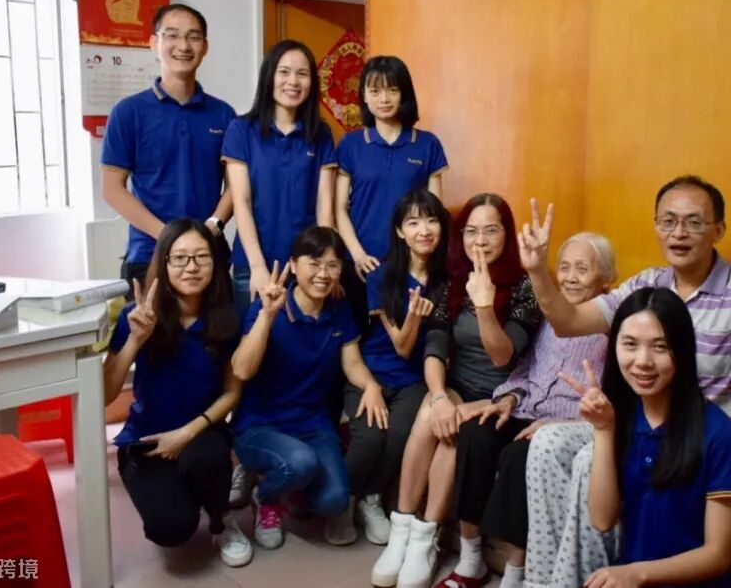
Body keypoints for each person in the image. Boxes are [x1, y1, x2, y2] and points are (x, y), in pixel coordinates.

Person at [516, 175, 731, 587]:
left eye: (694, 222)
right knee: (547, 443)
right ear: (656, 225)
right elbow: (568, 321)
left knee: (590, 460)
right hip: (641, 425)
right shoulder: (647, 286)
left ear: (719, 229)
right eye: (668, 221)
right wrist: (538, 271)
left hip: (699, 439)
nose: (678, 232)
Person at [371, 193, 542, 588]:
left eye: (491, 231)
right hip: (459, 384)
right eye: (471, 231)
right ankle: (403, 532)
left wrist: (484, 306)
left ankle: (427, 537)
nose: (479, 240)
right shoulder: (451, 281)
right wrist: (438, 396)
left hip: (505, 396)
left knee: (454, 435)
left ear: (507, 234)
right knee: (431, 415)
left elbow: (503, 356)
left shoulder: (525, 286)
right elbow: (435, 346)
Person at [445, 233, 616, 588]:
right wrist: (508, 398)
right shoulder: (551, 318)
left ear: (606, 279)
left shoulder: (612, 331)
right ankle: (471, 558)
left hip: (565, 424)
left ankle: (516, 572)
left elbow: (609, 402)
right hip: (525, 406)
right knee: (476, 434)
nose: (570, 277)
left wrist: (557, 423)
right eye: (564, 268)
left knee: (520, 455)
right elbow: (525, 367)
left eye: (582, 269)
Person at [569, 287, 731, 588]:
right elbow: (602, 520)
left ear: (682, 350)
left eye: (660, 346)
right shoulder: (624, 418)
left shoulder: (720, 436)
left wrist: (635, 574)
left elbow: (717, 556)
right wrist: (603, 431)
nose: (643, 361)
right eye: (630, 344)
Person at [102, 218, 252, 567]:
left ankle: (220, 519)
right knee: (170, 529)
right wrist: (135, 340)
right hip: (147, 440)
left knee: (206, 456)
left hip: (201, 433)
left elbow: (232, 393)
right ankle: (184, 492)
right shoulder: (136, 316)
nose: (192, 267)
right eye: (180, 258)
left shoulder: (227, 319)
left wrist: (185, 434)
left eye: (202, 257)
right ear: (164, 263)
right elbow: (106, 395)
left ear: (215, 264)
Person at [230, 226, 387, 549]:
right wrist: (267, 317)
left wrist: (371, 386)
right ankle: (266, 496)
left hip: (311, 424)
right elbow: (242, 369)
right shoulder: (268, 305)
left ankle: (290, 483)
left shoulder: (338, 308)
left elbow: (352, 363)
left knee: (335, 500)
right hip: (260, 425)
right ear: (293, 264)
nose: (323, 274)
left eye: (332, 265)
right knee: (300, 463)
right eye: (313, 263)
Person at [337, 189, 451, 547]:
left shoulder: (448, 281)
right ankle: (344, 500)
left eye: (431, 221)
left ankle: (371, 499)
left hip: (416, 379)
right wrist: (415, 316)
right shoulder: (382, 276)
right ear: (400, 231)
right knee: (370, 438)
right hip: (373, 373)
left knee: (401, 436)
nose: (424, 230)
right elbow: (401, 345)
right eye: (413, 223)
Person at [101, 4, 235, 296]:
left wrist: (213, 225)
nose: (183, 46)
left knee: (220, 326)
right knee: (148, 326)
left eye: (193, 37)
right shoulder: (128, 112)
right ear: (154, 43)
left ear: (205, 47)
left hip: (209, 255)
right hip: (149, 255)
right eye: (172, 35)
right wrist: (168, 237)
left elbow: (236, 185)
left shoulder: (224, 114)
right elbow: (112, 189)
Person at [223, 39, 337, 319]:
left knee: (300, 339)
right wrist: (258, 267)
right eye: (284, 72)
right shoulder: (241, 129)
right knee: (252, 340)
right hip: (253, 264)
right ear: (269, 76)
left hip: (307, 267)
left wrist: (326, 264)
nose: (293, 82)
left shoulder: (320, 134)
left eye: (302, 74)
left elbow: (324, 205)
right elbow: (241, 202)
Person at [335, 56, 448, 328]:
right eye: (374, 91)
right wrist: (357, 255)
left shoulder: (427, 144)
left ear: (404, 93)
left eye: (392, 90)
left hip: (412, 267)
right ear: (364, 96)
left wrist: (424, 261)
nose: (383, 99)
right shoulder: (351, 144)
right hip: (363, 264)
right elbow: (338, 208)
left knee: (411, 337)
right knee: (362, 337)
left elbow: (436, 210)